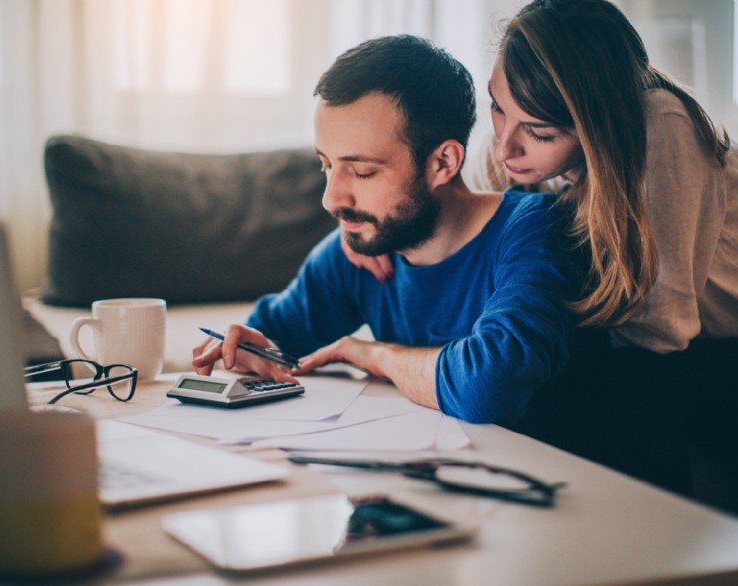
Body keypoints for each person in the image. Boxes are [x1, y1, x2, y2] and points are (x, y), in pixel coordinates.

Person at [344, 0, 738, 497]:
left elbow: (660, 330)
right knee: (523, 356)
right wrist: (370, 225)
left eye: (539, 132)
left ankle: (647, 549)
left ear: (595, 125)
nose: (505, 148)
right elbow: (449, 197)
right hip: (690, 354)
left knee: (569, 370)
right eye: (498, 108)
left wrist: (511, 344)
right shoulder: (519, 140)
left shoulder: (663, 129)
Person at [192, 34, 580, 427]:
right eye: (326, 165)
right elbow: (273, 335)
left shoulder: (535, 230)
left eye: (362, 171)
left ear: (443, 163)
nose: (331, 199)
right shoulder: (363, 248)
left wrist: (374, 354)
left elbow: (489, 389)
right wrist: (249, 348)